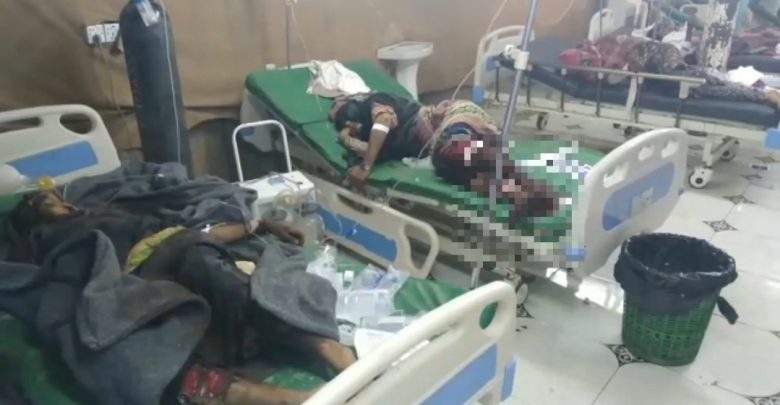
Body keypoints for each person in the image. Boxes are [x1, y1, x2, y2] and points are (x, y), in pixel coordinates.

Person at [8, 190, 356, 405]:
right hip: (121, 279)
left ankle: (324, 347)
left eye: (50, 197)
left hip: (172, 248)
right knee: (110, 341)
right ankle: (259, 396)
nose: (48, 202)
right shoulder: (50, 240)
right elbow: (54, 281)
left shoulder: (107, 209)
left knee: (208, 266)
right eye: (38, 202)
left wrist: (259, 225)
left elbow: (187, 231)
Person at [329, 93, 558, 220]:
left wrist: (366, 166)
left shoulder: (378, 101)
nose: (354, 126)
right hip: (468, 133)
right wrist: (346, 139)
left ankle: (503, 169)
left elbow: (383, 122)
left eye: (352, 121)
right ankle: (520, 190)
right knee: (460, 171)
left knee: (450, 155)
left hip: (455, 120)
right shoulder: (374, 138)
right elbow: (371, 146)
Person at [559, 34, 780, 108]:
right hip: (662, 57)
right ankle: (760, 93)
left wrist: (620, 71)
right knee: (699, 79)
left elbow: (622, 70)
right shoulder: (599, 47)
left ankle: (761, 94)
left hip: (657, 61)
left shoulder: (601, 54)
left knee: (698, 85)